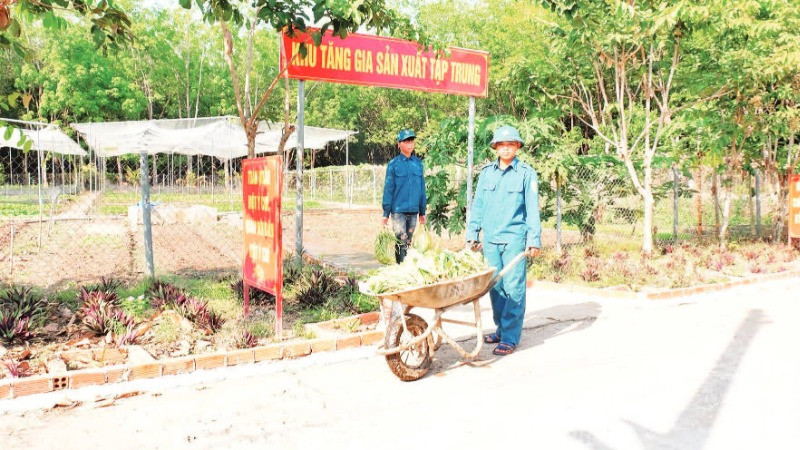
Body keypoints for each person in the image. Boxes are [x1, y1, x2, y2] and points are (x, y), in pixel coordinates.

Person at [466, 125, 541, 356]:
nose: (506, 148)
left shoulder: (526, 174)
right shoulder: (487, 173)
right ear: (496, 148)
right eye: (501, 144)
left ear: (517, 147)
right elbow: (477, 205)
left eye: (510, 144)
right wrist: (472, 234)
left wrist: (534, 239)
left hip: (514, 239)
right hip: (491, 239)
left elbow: (532, 209)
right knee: (496, 287)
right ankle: (501, 328)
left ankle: (509, 336)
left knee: (514, 287)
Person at [381, 129, 427, 263]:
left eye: (411, 141)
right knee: (401, 240)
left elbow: (422, 189)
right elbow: (388, 189)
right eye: (406, 141)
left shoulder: (418, 164)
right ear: (399, 144)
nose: (410, 144)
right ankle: (401, 268)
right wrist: (386, 213)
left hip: (413, 211)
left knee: (408, 241)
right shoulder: (393, 165)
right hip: (398, 211)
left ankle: (406, 267)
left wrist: (422, 212)